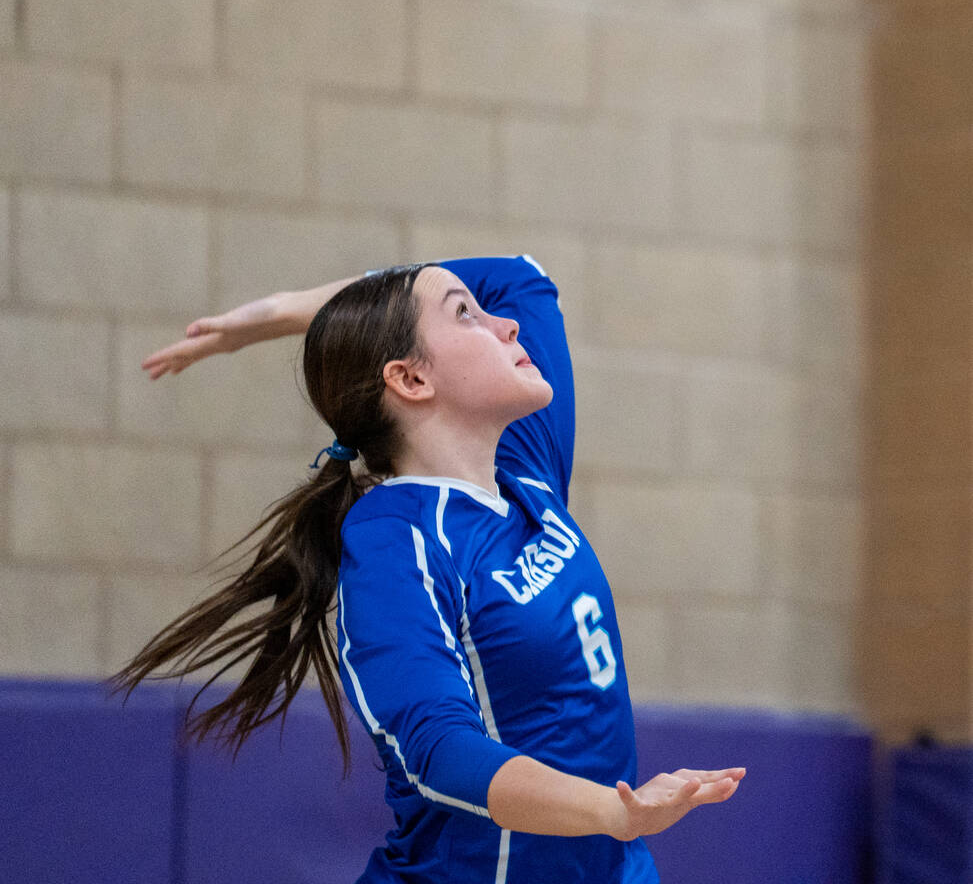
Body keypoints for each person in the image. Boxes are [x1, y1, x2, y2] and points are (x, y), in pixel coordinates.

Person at [114, 254, 745, 883]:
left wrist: (287, 311)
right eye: (468, 315)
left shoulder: (524, 473)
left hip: (616, 868)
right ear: (411, 380)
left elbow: (517, 275)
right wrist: (613, 810)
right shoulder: (395, 541)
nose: (509, 326)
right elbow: (441, 754)